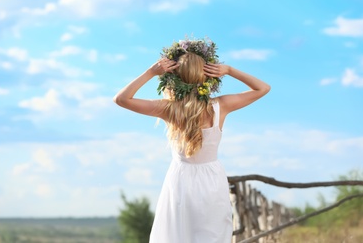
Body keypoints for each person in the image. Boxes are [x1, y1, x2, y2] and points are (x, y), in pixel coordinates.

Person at [114, 38, 270, 243]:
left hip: (181, 178)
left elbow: (121, 99)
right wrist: (230, 70)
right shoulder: (220, 106)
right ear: (207, 75)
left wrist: (151, 72)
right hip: (212, 179)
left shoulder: (168, 109)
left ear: (174, 78)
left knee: (178, 235)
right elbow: (263, 88)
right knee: (212, 235)